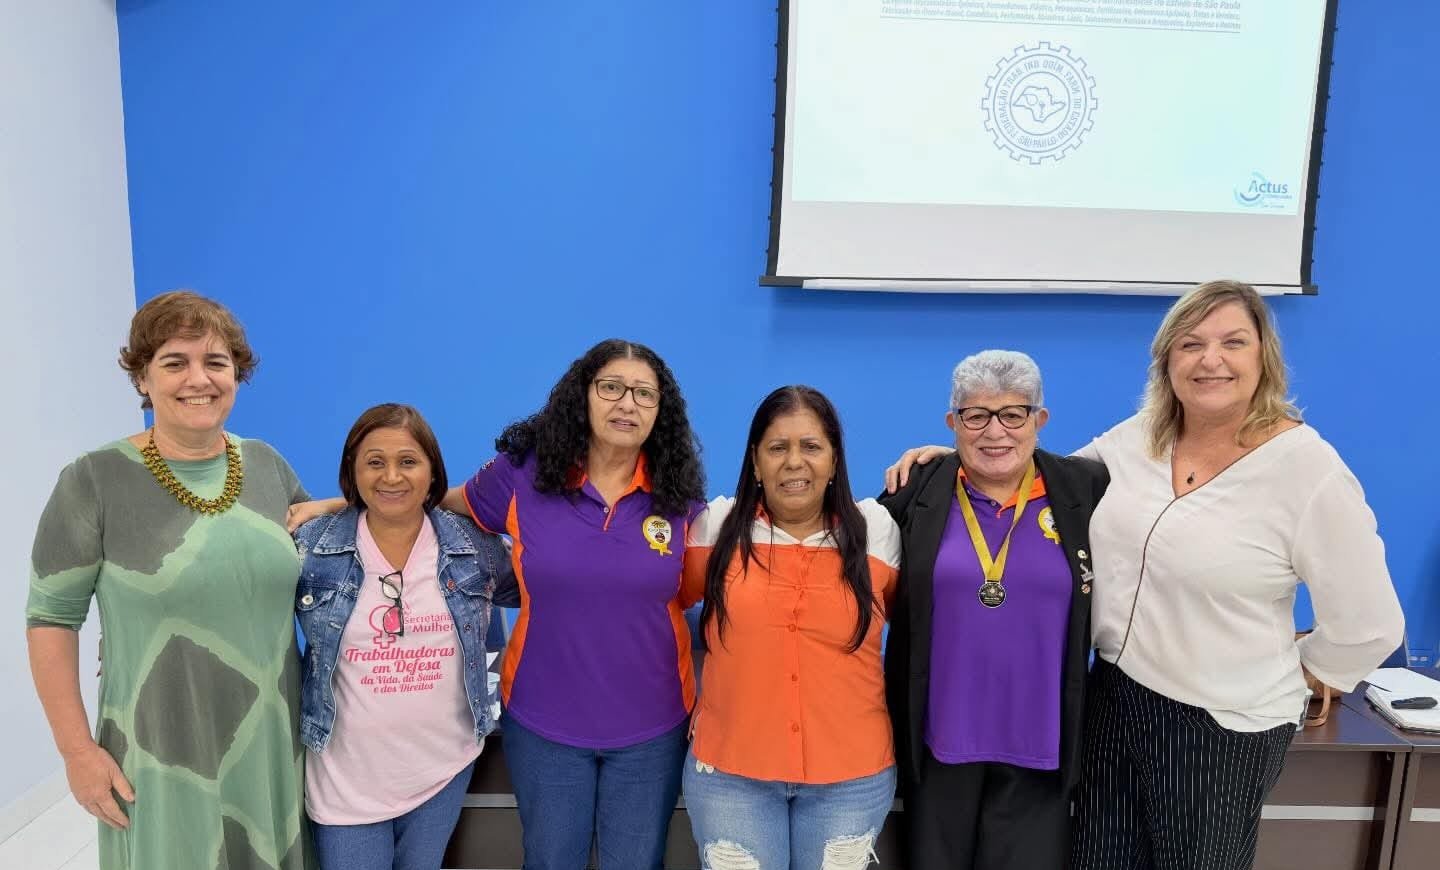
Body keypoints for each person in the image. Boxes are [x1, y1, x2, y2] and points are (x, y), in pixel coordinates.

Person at [888, 281, 1405, 870]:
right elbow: (1037, 479)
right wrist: (953, 462)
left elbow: (1370, 625)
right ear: (1167, 360)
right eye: (1191, 344)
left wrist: (1299, 673)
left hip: (1220, 724)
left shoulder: (1306, 468)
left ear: (1265, 356)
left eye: (1233, 342)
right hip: (1114, 703)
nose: (1210, 359)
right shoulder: (1139, 439)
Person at [287, 339, 706, 870]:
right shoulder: (524, 474)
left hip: (653, 726)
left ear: (660, 410)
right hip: (543, 724)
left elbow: (697, 594)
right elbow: (427, 497)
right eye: (611, 388)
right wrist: (342, 504)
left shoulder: (679, 497)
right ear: (582, 395)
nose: (627, 403)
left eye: (644, 394)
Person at [27, 290, 313, 870]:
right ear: (142, 378)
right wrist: (77, 751)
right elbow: (51, 619)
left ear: (237, 375)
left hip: (270, 742)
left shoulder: (267, 465)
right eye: (175, 362)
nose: (198, 379)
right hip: (159, 749)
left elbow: (323, 554)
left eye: (216, 362)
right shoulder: (93, 481)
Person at [877, 351, 1107, 870]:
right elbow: (852, 571)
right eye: (977, 416)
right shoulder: (915, 492)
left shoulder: (1086, 490)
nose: (995, 431)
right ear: (953, 423)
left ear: (1040, 419)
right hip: (938, 745)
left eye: (1013, 414)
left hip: (1043, 746)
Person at [679, 385, 901, 869]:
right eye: (777, 447)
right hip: (730, 774)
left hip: (852, 777)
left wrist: (946, 460)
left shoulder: (877, 530)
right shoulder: (716, 528)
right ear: (756, 463)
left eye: (811, 446)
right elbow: (657, 605)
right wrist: (695, 689)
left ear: (834, 460)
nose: (794, 462)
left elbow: (927, 620)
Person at [292, 404, 517, 870]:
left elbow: (546, 582)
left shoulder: (473, 545)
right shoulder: (312, 546)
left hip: (443, 768)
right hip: (345, 781)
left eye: (408, 461)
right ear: (352, 471)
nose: (391, 476)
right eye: (374, 462)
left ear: (432, 471)